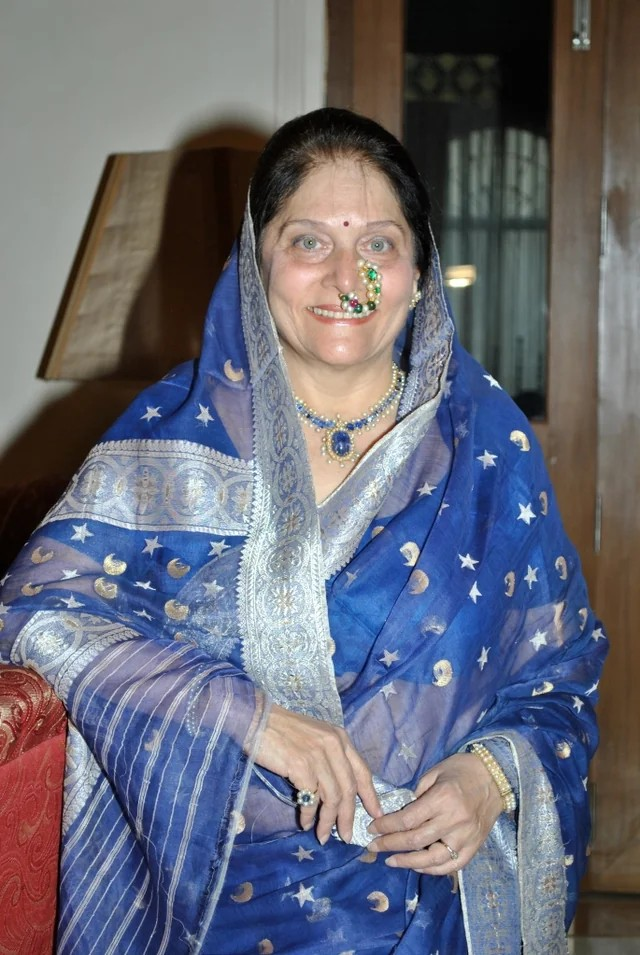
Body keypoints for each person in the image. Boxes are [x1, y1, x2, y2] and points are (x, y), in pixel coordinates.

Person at [0, 108, 606, 954]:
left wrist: (492, 776)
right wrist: (251, 717)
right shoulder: (176, 438)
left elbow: (561, 669)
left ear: (420, 273)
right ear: (256, 266)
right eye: (310, 241)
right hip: (214, 903)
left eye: (379, 244)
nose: (347, 277)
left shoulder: (486, 447)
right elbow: (34, 613)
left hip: (429, 903)